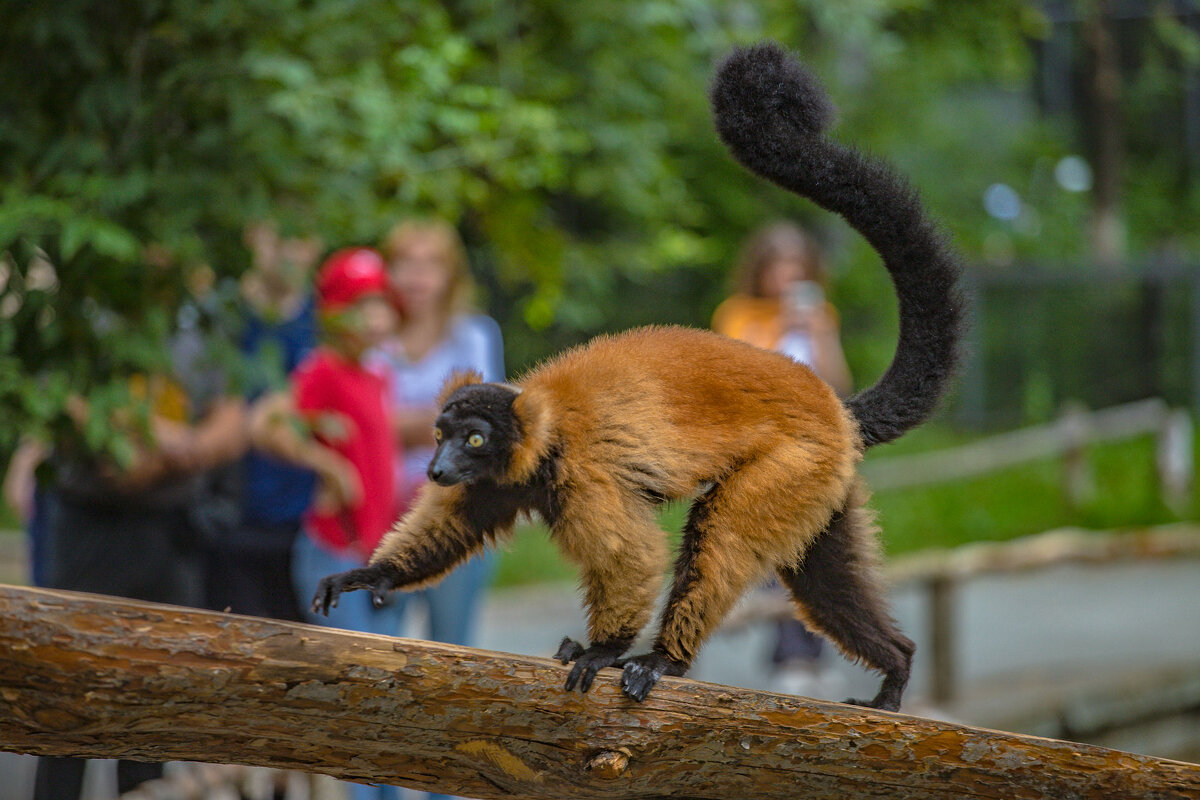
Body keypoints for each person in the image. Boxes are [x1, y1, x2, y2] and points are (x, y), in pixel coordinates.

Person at [33, 305, 248, 799]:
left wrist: (165, 452)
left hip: (170, 531)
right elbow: (64, 404)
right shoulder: (84, 313)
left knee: (152, 700)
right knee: (68, 697)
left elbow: (234, 419)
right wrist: (164, 443)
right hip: (91, 527)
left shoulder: (206, 319)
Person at [712, 220, 850, 698]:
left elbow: (839, 386)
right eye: (778, 265)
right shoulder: (739, 315)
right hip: (761, 455)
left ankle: (807, 652)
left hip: (814, 453)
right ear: (761, 269)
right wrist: (780, 331)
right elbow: (738, 381)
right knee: (778, 556)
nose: (787, 275)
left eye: (796, 265)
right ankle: (791, 655)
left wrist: (819, 334)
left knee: (819, 555)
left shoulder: (818, 315)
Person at [367, 219, 503, 652]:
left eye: (431, 264)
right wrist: (437, 422)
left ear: (450, 275)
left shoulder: (474, 334)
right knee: (374, 649)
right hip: (377, 514)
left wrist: (388, 424)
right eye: (404, 263)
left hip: (453, 513)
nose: (416, 276)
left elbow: (485, 426)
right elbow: (352, 421)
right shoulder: (370, 336)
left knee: (451, 650)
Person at [250, 247, 400, 640]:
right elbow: (266, 424)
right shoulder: (324, 367)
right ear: (332, 313)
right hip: (333, 547)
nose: (374, 317)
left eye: (380, 303)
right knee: (355, 664)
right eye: (359, 305)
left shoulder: (377, 372)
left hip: (370, 551)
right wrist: (327, 465)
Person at [200, 222, 322, 621]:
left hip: (306, 525)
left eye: (297, 237)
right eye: (276, 234)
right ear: (252, 234)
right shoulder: (219, 318)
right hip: (228, 520)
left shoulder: (329, 323)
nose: (286, 251)